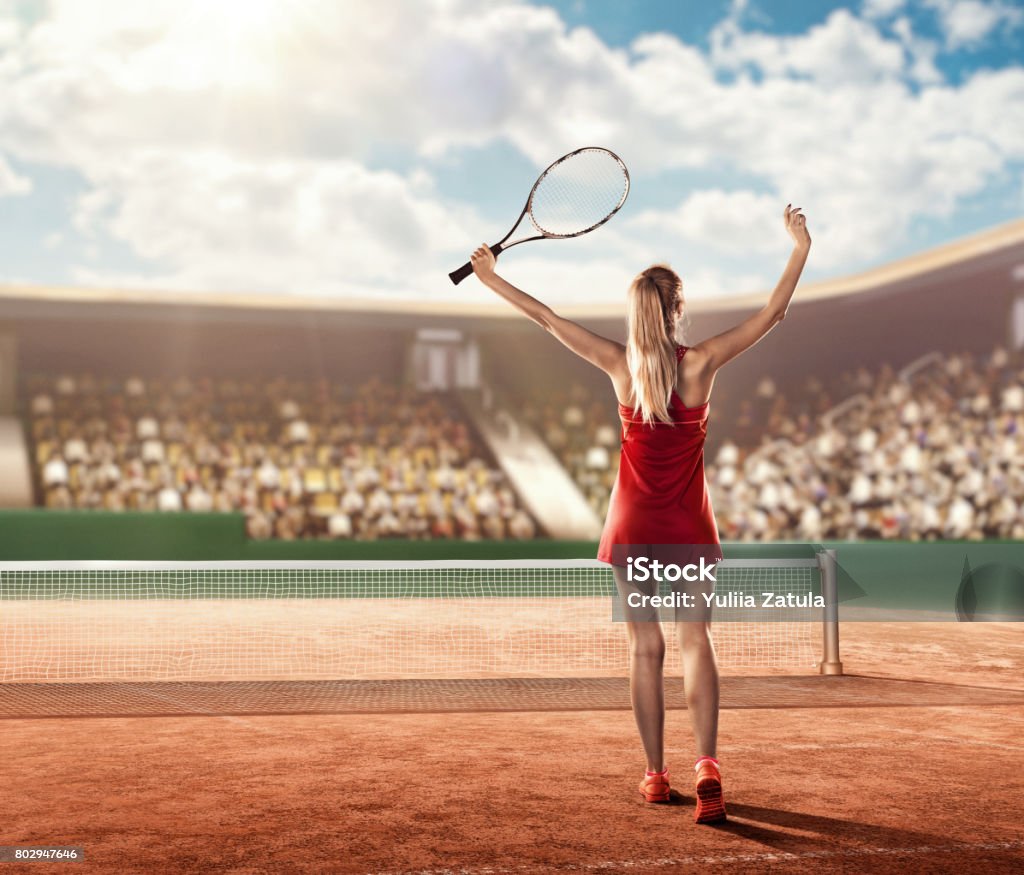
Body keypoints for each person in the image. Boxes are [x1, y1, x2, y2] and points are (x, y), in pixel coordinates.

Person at [469, 204, 811, 824]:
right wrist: (799, 245)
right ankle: (708, 765)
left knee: (643, 649)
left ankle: (656, 776)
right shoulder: (701, 363)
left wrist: (490, 277)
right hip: (686, 526)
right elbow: (773, 314)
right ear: (678, 308)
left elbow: (547, 321)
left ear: (635, 314)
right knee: (695, 640)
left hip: (631, 526)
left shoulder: (619, 365)